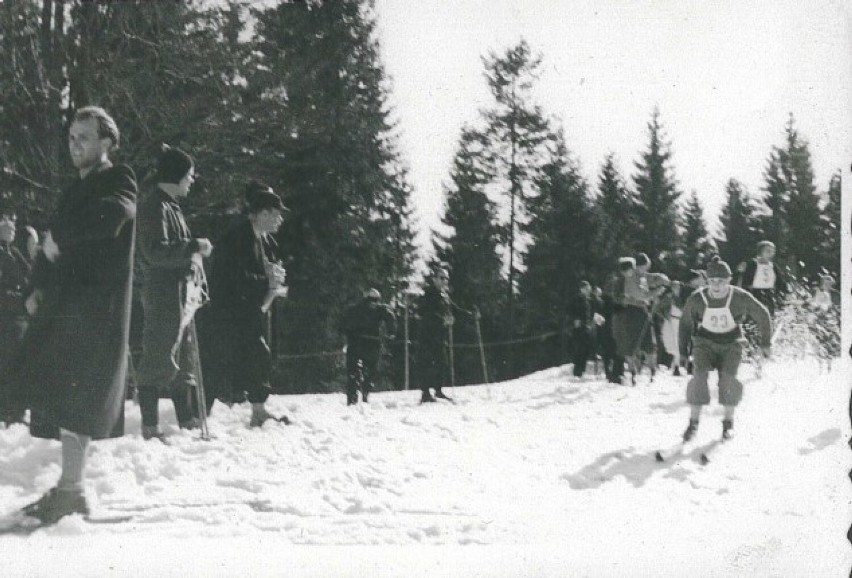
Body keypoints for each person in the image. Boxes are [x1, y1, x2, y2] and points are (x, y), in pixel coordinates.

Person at [9, 106, 137, 524]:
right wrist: (35, 288)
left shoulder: (119, 179)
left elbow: (112, 217)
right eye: (71, 137)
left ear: (107, 142)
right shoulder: (72, 190)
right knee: (53, 393)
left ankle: (72, 490)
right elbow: (49, 245)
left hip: (95, 310)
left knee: (79, 399)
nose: (75, 144)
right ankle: (70, 488)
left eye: (84, 136)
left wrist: (58, 240)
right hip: (63, 305)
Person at [135, 145, 213, 442]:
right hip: (163, 291)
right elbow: (154, 252)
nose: (192, 180)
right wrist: (193, 246)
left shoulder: (170, 205)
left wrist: (192, 259)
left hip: (181, 290)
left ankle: (188, 420)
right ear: (176, 175)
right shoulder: (154, 205)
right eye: (189, 175)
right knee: (159, 352)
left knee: (184, 356)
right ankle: (150, 427)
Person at [207, 181, 289, 427]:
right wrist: (268, 280)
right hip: (228, 312)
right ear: (262, 213)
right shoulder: (238, 236)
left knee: (257, 356)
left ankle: (258, 410)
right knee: (219, 362)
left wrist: (272, 276)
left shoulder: (261, 239)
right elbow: (233, 276)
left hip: (247, 310)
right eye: (276, 215)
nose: (279, 221)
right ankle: (198, 416)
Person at [677, 258, 772, 442]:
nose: (717, 285)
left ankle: (728, 423)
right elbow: (685, 324)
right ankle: (693, 423)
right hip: (705, 342)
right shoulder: (698, 298)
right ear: (707, 281)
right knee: (699, 377)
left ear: (729, 280)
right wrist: (683, 351)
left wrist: (765, 343)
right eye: (712, 281)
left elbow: (763, 314)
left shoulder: (739, 297)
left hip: (731, 342)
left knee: (728, 379)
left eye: (721, 281)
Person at [0, 202, 31, 425]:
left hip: (18, 316)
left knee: (18, 362)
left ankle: (16, 411)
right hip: (5, 316)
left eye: (13, 220)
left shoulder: (15, 252)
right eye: (5, 220)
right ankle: (8, 412)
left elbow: (28, 279)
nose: (11, 224)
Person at [342, 289, 396, 405]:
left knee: (370, 372)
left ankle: (365, 395)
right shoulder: (356, 309)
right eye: (371, 300)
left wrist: (391, 331)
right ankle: (352, 399)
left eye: (376, 300)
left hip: (370, 344)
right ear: (366, 300)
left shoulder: (379, 309)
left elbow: (390, 316)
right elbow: (344, 322)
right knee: (354, 373)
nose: (373, 303)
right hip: (357, 343)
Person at [416, 267, 454, 403]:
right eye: (441, 278)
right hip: (428, 335)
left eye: (446, 278)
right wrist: (442, 320)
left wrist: (470, 314)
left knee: (442, 363)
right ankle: (425, 393)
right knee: (427, 363)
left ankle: (438, 390)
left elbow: (453, 309)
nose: (444, 281)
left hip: (440, 336)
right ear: (434, 279)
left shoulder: (444, 296)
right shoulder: (429, 294)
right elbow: (427, 314)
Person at [740, 240, 786, 316]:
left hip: (768, 293)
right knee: (754, 313)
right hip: (754, 292)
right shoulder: (753, 264)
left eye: (772, 252)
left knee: (769, 313)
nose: (770, 254)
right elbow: (745, 279)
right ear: (760, 252)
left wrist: (782, 291)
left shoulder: (773, 266)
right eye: (768, 251)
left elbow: (780, 280)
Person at [656, 281, 686, 376]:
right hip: (670, 321)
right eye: (674, 287)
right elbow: (658, 308)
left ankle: (677, 366)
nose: (675, 288)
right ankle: (673, 364)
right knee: (669, 341)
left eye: (677, 287)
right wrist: (665, 315)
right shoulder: (668, 298)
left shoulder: (684, 298)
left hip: (680, 321)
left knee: (678, 343)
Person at [569, 280, 596, 380]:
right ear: (582, 289)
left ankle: (581, 370)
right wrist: (575, 320)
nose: (589, 291)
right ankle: (577, 372)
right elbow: (572, 310)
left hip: (586, 326)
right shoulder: (577, 299)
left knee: (585, 349)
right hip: (579, 326)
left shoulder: (587, 299)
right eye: (587, 289)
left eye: (589, 289)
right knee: (579, 349)